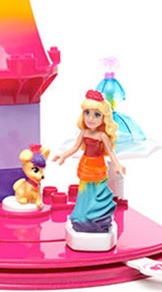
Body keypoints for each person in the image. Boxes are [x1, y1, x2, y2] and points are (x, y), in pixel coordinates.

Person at [53, 90, 126, 233]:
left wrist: (117, 165)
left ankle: (96, 216)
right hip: (85, 165)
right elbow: (74, 148)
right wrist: (63, 156)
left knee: (97, 191)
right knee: (84, 192)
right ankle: (82, 217)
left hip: (98, 167)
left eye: (96, 115)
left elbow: (111, 151)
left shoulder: (102, 135)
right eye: (87, 113)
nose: (90, 118)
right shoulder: (84, 132)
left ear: (103, 118)